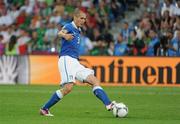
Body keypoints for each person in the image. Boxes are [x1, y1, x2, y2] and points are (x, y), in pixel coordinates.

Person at [40, 9, 115, 116]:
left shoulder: (78, 30)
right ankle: (44, 109)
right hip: (66, 59)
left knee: (94, 80)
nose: (83, 20)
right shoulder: (69, 26)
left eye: (85, 18)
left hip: (75, 62)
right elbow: (60, 33)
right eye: (81, 18)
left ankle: (108, 104)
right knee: (68, 88)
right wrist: (65, 36)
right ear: (75, 17)